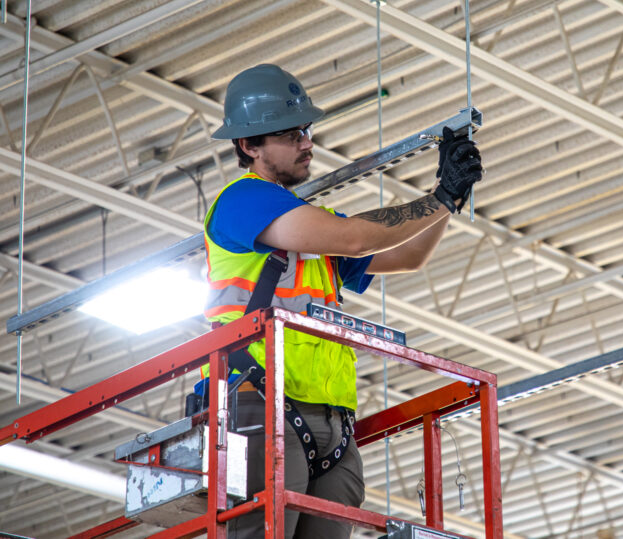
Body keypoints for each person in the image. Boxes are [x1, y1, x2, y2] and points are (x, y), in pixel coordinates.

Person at [200, 64, 482, 538]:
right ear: (249, 146)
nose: (307, 142)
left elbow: (409, 255)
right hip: (259, 398)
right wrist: (441, 198)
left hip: (331, 417)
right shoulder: (240, 201)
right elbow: (353, 239)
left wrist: (448, 198)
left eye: (306, 130)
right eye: (290, 134)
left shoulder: (315, 222)